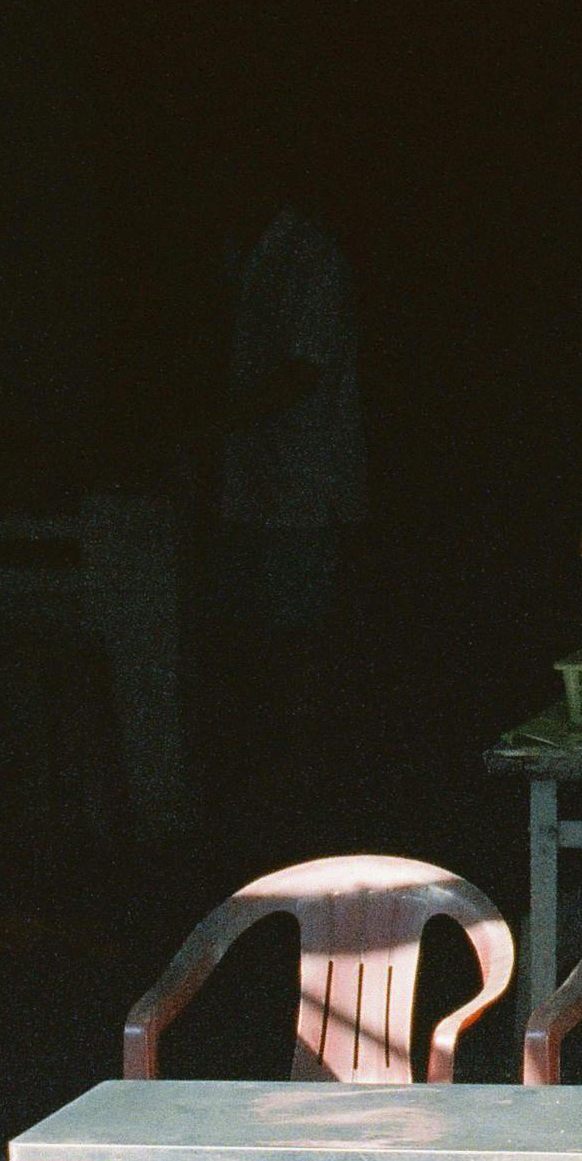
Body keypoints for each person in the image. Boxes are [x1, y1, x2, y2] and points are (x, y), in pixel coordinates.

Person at [218, 191, 366, 802]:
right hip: (262, 484)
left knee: (300, 633)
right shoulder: (250, 253)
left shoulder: (310, 257)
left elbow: (305, 368)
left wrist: (212, 418)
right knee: (268, 631)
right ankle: (282, 768)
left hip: (305, 483)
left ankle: (308, 772)